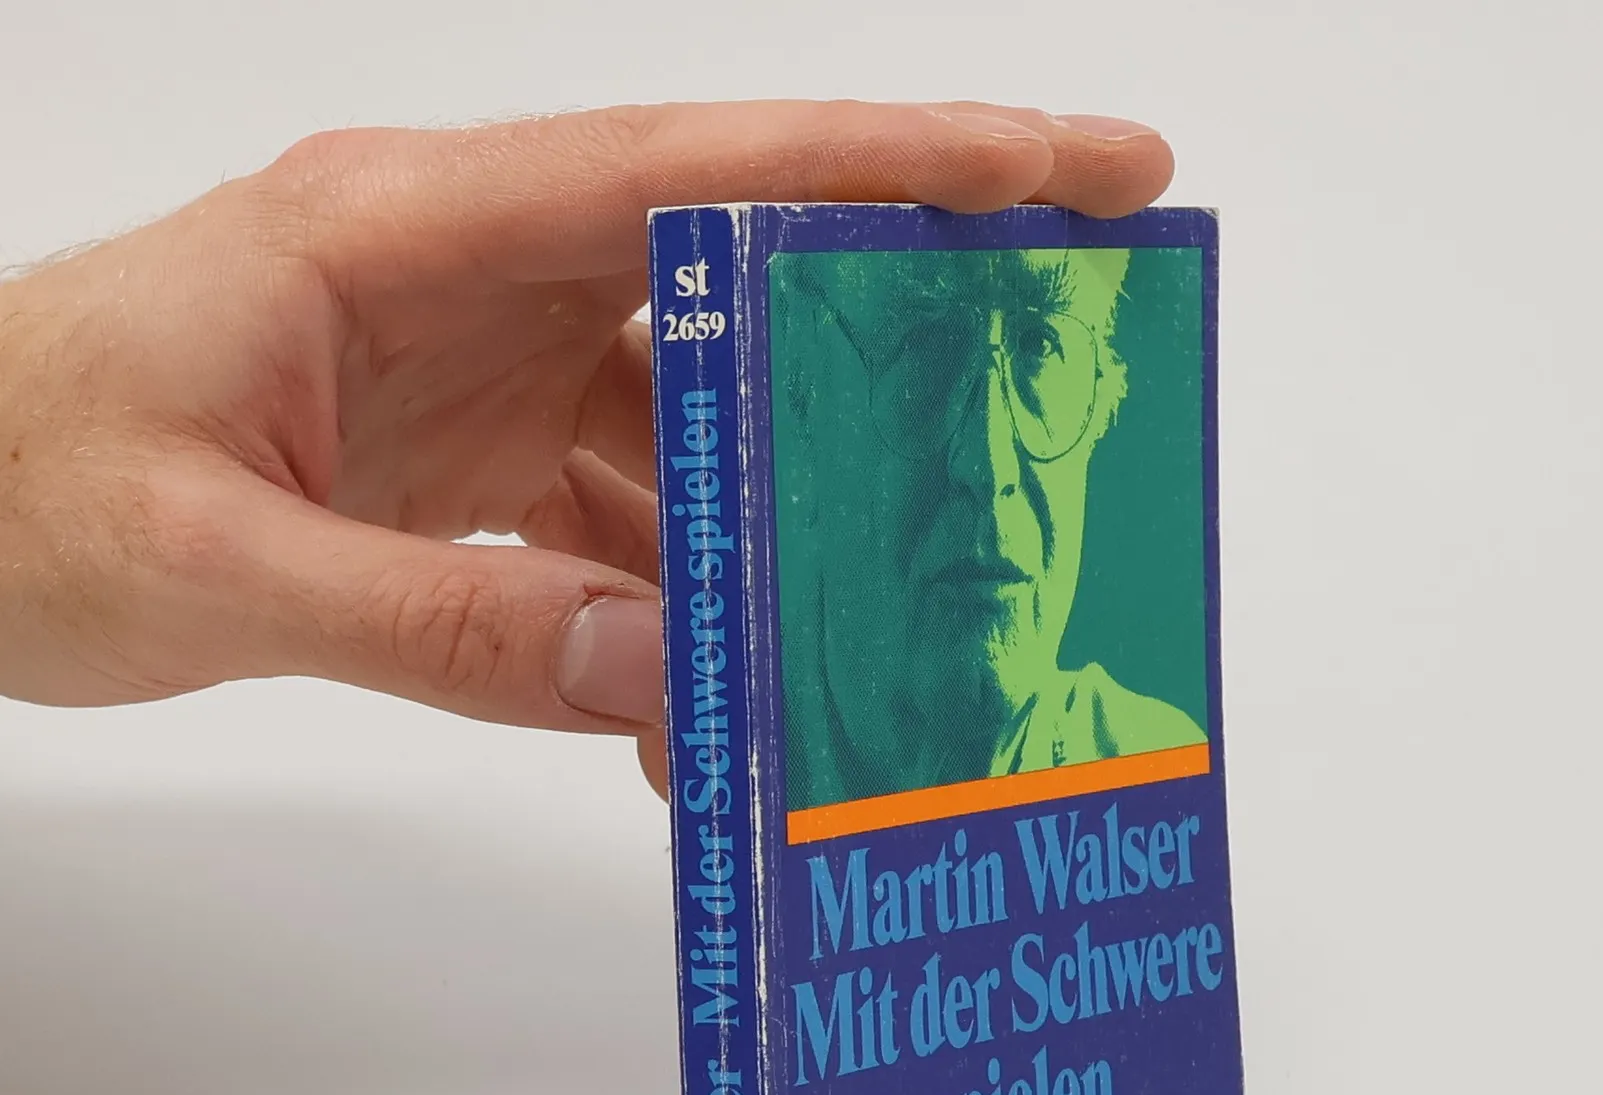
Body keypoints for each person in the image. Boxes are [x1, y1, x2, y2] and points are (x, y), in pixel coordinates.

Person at [0, 101, 1174, 796]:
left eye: (1041, 349)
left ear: (1107, 404)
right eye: (919, 359)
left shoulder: (1150, 754)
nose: (983, 457)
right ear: (813, 418)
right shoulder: (801, 750)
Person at [775, 242, 1205, 810]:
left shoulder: (1152, 780)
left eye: (1039, 344)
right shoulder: (736, 766)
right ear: (803, 394)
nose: (990, 465)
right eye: (924, 346)